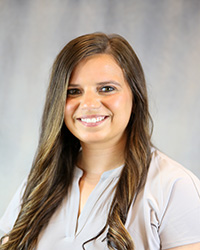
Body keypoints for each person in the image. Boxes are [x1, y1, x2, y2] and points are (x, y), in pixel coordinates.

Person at [0, 32, 200, 250]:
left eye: (106, 89)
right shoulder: (39, 183)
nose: (88, 104)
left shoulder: (173, 186)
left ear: (135, 95)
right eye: (73, 91)